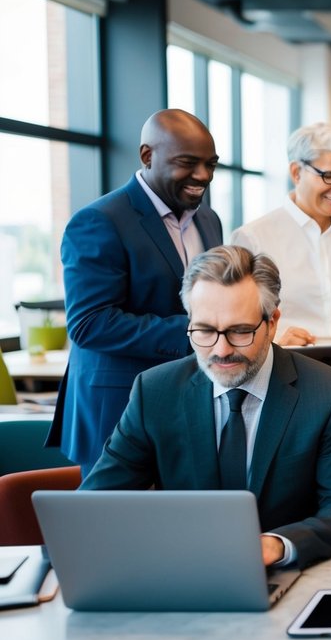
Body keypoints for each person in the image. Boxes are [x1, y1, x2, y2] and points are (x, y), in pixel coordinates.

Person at [81, 246, 331, 569]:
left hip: (290, 578)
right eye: (204, 330)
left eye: (240, 331)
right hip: (185, 574)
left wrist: (277, 545)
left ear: (273, 322)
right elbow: (95, 506)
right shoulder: (154, 391)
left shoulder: (328, 393)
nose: (221, 350)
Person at [52, 109, 225, 476]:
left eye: (211, 164)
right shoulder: (99, 220)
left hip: (191, 401)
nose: (203, 176)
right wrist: (200, 334)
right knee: (112, 530)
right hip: (117, 408)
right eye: (188, 163)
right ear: (147, 156)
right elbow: (90, 323)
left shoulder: (208, 219)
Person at [231, 122, 331, 452]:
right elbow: (238, 321)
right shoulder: (254, 237)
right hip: (286, 378)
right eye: (329, 176)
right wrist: (277, 339)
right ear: (296, 171)